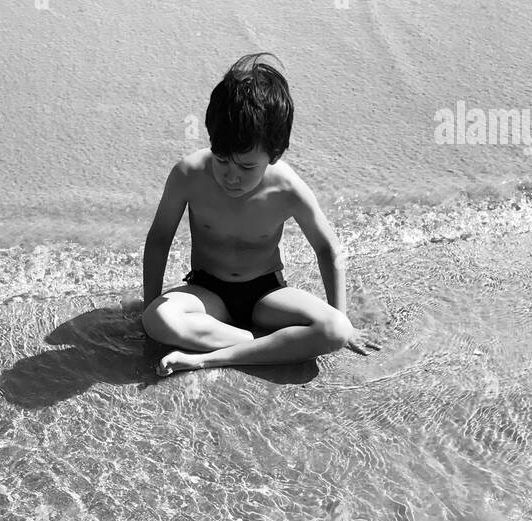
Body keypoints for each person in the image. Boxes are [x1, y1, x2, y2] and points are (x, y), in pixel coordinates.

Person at [141, 53, 372, 376]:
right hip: (207, 294)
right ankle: (265, 345)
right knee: (157, 318)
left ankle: (207, 357)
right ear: (212, 140)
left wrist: (343, 320)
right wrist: (146, 306)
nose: (231, 176)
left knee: (335, 329)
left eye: (247, 166)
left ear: (274, 154)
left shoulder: (287, 188)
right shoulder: (188, 175)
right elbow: (159, 238)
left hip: (267, 296)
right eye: (222, 159)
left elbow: (327, 248)